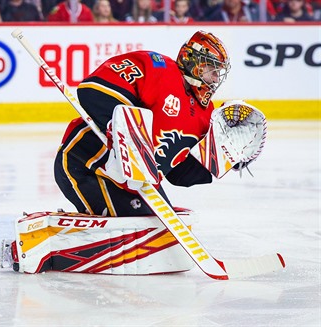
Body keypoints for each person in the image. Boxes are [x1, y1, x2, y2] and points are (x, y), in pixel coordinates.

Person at [54, 30, 231, 217]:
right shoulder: (158, 68)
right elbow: (92, 91)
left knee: (158, 229)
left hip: (136, 185)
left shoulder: (205, 114)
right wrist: (123, 143)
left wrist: (224, 155)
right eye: (213, 71)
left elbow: (179, 174)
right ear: (196, 64)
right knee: (138, 225)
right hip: (85, 162)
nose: (216, 79)